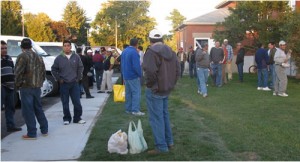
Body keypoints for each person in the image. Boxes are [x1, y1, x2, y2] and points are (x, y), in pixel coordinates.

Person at [143, 29, 180, 154]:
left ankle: (161, 147)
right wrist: (171, 84)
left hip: (156, 90)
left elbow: (150, 72)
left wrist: (150, 85)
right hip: (166, 89)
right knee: (164, 116)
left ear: (150, 40)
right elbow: (177, 70)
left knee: (157, 118)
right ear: (161, 39)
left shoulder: (151, 52)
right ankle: (169, 142)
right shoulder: (171, 51)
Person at [15, 38, 48, 139]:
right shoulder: (39, 56)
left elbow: (18, 72)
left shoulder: (22, 56)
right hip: (37, 87)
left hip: (26, 87)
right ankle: (44, 129)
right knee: (38, 108)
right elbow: (43, 72)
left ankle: (32, 133)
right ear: (31, 46)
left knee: (28, 110)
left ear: (21, 47)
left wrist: (17, 85)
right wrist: (40, 82)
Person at [51, 40, 86, 125]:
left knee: (77, 102)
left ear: (71, 47)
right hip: (64, 84)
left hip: (74, 83)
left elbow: (80, 68)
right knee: (65, 103)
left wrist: (78, 78)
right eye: (65, 46)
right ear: (63, 47)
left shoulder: (76, 57)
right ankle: (66, 118)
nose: (67, 47)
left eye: (68, 46)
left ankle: (77, 118)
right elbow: (53, 69)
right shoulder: (59, 58)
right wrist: (59, 79)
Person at [1, 40, 22, 132]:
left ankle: (11, 126)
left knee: (11, 107)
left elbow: (13, 70)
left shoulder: (9, 58)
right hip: (2, 86)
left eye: (5, 48)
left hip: (11, 86)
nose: (4, 50)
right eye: (2, 48)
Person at [121, 38, 144, 116]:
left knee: (128, 93)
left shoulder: (124, 51)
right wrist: (140, 74)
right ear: (136, 44)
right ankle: (135, 110)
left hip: (126, 75)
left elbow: (122, 64)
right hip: (133, 75)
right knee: (136, 93)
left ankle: (128, 109)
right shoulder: (134, 52)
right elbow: (136, 66)